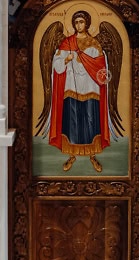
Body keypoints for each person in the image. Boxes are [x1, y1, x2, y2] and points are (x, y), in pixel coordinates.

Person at [44, 10, 112, 173]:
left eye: (81, 22)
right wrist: (65, 59)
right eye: (76, 22)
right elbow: (57, 63)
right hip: (71, 87)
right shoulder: (67, 43)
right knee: (72, 120)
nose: (79, 25)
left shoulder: (94, 43)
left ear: (87, 23)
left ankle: (92, 155)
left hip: (90, 88)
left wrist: (88, 62)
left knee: (90, 119)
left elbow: (101, 66)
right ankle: (72, 154)